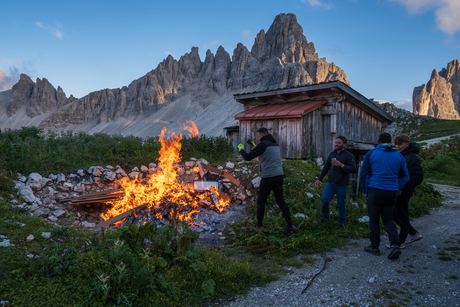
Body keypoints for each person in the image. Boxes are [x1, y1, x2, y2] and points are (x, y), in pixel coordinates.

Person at [237, 127, 296, 236]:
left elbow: (248, 157)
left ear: (261, 135)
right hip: (279, 175)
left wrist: (241, 149)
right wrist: (254, 145)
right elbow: (264, 152)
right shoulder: (274, 144)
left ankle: (259, 224)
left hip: (269, 176)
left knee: (261, 200)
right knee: (280, 201)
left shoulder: (263, 145)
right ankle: (290, 225)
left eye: (258, 136)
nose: (258, 137)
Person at [360, 133, 410, 260]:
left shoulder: (371, 154)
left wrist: (365, 189)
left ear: (378, 141)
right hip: (391, 192)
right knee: (388, 219)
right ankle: (394, 245)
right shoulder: (399, 155)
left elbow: (364, 173)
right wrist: (397, 187)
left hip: (375, 190)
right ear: (391, 141)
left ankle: (375, 247)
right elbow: (405, 176)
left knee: (374, 219)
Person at [387, 135, 424, 249]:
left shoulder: (412, 157)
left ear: (407, 144)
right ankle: (413, 233)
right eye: (397, 144)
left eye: (401, 144)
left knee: (402, 215)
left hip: (404, 191)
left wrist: (403, 188)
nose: (398, 146)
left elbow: (418, 176)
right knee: (394, 214)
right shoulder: (402, 155)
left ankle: (400, 241)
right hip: (398, 189)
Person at [314, 136, 357, 229]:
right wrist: (319, 179)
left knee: (340, 204)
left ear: (344, 144)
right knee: (324, 199)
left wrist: (341, 165)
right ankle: (325, 218)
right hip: (331, 182)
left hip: (342, 184)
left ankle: (341, 223)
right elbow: (326, 168)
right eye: (336, 142)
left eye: (339, 143)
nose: (336, 144)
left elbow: (353, 169)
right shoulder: (332, 154)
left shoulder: (349, 155)